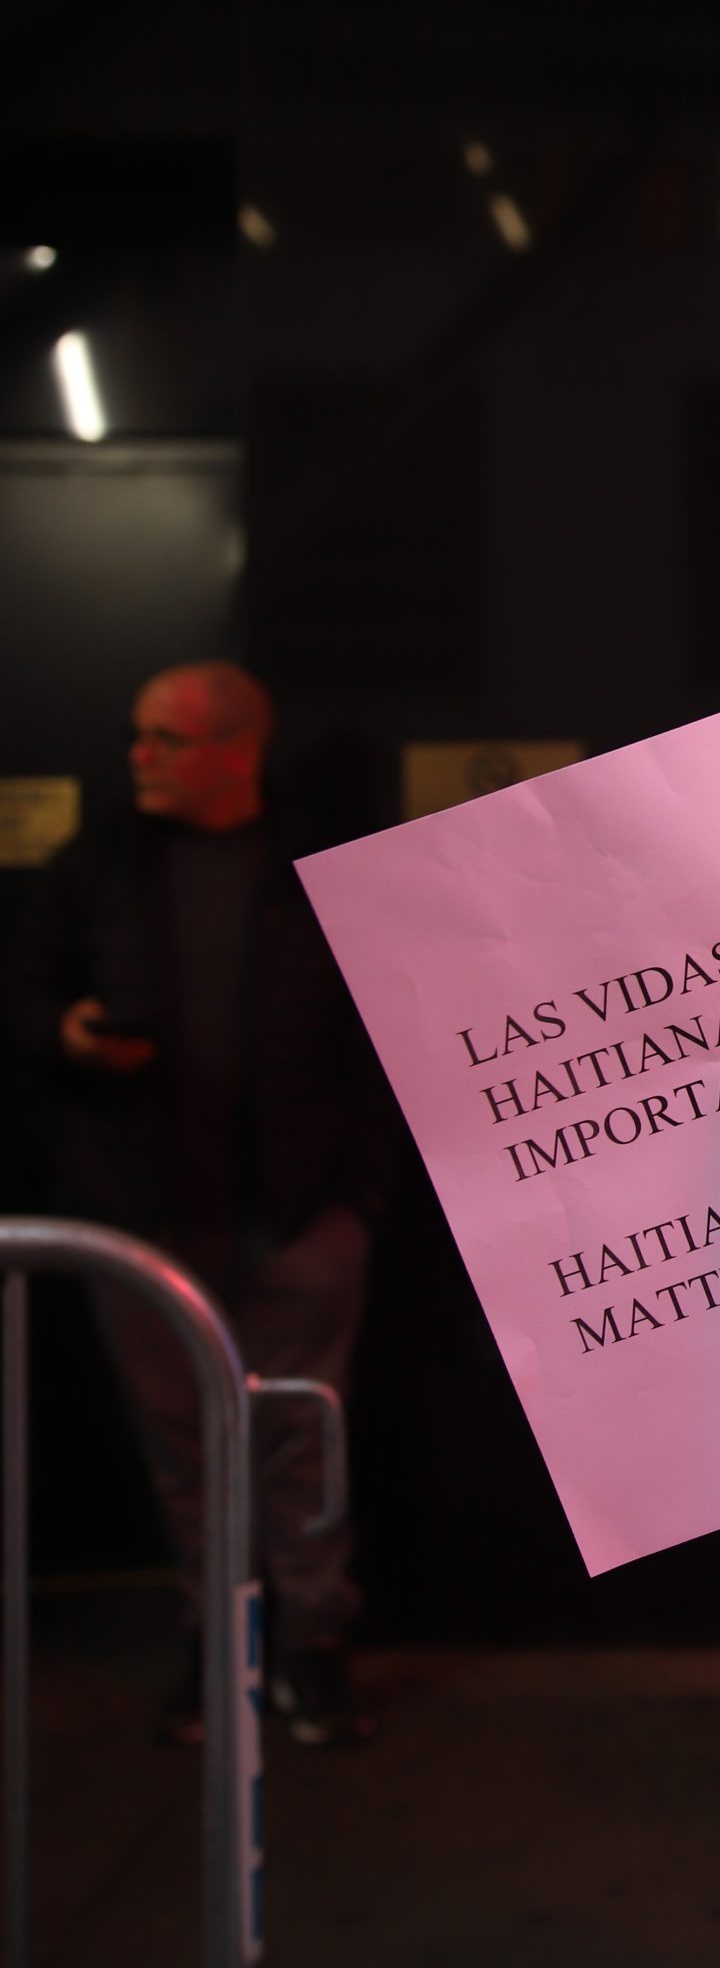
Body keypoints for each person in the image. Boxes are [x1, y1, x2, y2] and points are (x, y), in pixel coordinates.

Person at [3, 660, 381, 1748]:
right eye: (141, 735)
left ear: (236, 749)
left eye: (164, 738)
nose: (138, 757)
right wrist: (68, 1034)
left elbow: (378, 1042)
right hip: (149, 1225)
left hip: (300, 1220)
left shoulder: (309, 868)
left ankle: (315, 1655)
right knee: (184, 1458)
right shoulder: (98, 865)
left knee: (303, 1443)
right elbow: (22, 1001)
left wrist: (354, 1203)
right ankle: (219, 1654)